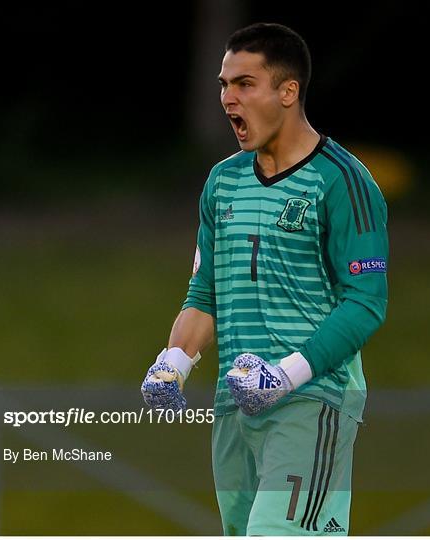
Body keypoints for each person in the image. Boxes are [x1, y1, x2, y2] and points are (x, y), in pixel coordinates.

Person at [141, 22, 388, 536]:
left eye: (244, 84)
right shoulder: (222, 181)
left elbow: (366, 302)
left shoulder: (343, 180)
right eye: (223, 84)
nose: (228, 98)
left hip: (311, 397)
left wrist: (286, 375)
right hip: (235, 402)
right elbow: (204, 293)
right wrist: (174, 362)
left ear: (287, 91)